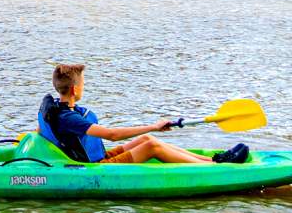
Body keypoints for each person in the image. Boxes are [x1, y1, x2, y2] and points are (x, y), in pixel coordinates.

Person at [38, 63, 249, 166]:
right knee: (151, 145)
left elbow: (41, 130)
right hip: (94, 167)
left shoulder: (55, 107)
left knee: (147, 139)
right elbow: (111, 135)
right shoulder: (68, 118)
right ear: (75, 90)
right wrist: (153, 125)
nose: (84, 87)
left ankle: (214, 159)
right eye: (83, 84)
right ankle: (214, 168)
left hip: (99, 157)